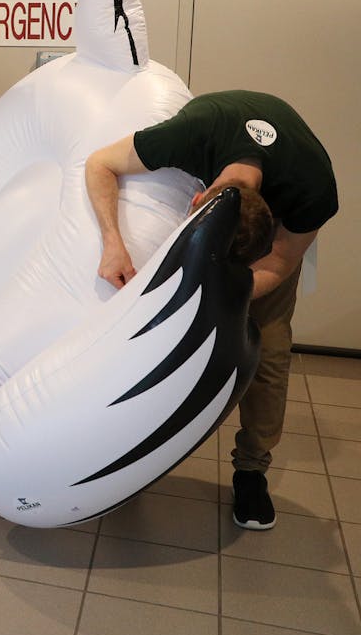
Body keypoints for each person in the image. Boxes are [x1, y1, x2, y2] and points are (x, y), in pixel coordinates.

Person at [84, 90, 338, 530]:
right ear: (198, 200)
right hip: (221, 171)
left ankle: (252, 471)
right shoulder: (189, 134)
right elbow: (98, 163)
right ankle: (131, 453)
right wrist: (112, 242)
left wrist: (231, 292)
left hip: (279, 234)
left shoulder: (311, 188)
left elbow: (278, 262)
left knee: (271, 348)